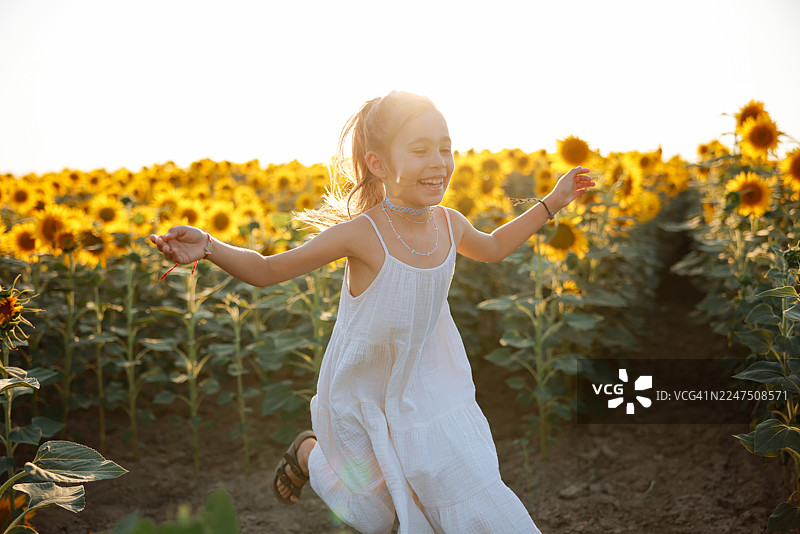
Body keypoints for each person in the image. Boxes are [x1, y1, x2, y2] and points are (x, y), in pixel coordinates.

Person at [149, 90, 595, 534]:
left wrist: (552, 202)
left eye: (445, 148)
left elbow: (495, 246)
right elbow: (269, 270)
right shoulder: (363, 234)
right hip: (363, 391)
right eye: (420, 150)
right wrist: (209, 246)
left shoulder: (449, 222)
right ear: (378, 163)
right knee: (372, 516)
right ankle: (309, 452)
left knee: (463, 483)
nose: (439, 161)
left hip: (432, 381)